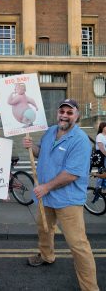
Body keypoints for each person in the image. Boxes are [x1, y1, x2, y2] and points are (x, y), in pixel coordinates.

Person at [22, 99, 99, 291]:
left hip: (68, 201)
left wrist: (46, 187)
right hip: (46, 198)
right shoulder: (50, 131)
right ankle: (47, 255)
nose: (64, 115)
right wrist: (32, 147)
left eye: (69, 112)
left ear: (77, 115)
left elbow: (71, 174)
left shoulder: (80, 140)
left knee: (78, 245)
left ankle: (90, 288)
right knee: (44, 229)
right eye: (62, 111)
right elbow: (41, 153)